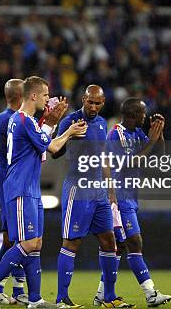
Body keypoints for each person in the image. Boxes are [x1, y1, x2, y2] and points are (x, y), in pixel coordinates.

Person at [0, 76, 87, 309]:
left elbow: (43, 141)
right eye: (46, 95)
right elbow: (53, 146)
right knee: (27, 243)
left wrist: (54, 123)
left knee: (36, 243)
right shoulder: (23, 121)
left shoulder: (23, 121)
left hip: (30, 186)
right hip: (20, 187)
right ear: (33, 96)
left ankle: (35, 298)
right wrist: (69, 131)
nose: (48, 99)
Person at [52, 85, 130, 309]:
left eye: (97, 103)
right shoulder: (71, 121)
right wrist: (68, 134)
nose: (93, 107)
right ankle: (62, 299)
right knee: (72, 241)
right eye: (90, 102)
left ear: (103, 103)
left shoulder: (102, 123)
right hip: (78, 188)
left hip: (99, 191)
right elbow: (54, 152)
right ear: (83, 99)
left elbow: (103, 157)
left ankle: (108, 297)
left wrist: (111, 191)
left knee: (109, 241)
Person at [95, 98, 171, 307]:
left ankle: (101, 294)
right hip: (118, 197)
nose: (145, 117)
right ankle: (150, 293)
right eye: (143, 114)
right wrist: (152, 140)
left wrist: (159, 134)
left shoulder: (136, 133)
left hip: (130, 196)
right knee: (134, 242)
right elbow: (131, 161)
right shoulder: (115, 134)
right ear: (133, 114)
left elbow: (157, 157)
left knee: (119, 247)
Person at [0, 79, 28, 305]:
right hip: (8, 180)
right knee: (12, 236)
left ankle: (16, 289)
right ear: (21, 94)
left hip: (15, 179)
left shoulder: (14, 118)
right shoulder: (8, 119)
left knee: (18, 236)